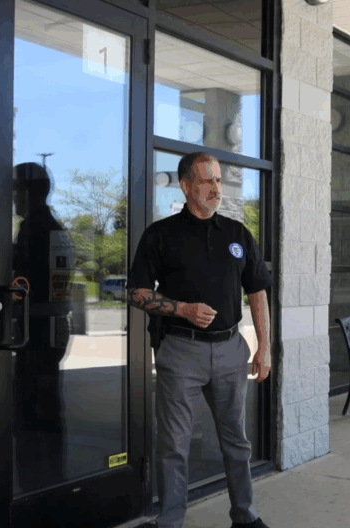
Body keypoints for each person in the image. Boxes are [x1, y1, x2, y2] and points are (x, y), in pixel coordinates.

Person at [127, 152, 273, 528]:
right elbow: (137, 293)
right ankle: (170, 521)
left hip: (230, 349)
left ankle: (245, 516)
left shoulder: (238, 235)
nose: (216, 189)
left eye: (219, 181)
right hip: (181, 350)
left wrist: (265, 346)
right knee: (174, 445)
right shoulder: (160, 235)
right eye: (207, 181)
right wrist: (182, 309)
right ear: (186, 186)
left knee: (237, 442)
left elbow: (257, 292)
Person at [11, 162, 74, 492]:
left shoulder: (33, 230)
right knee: (49, 407)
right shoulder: (55, 227)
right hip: (54, 329)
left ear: (24, 192)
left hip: (36, 333)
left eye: (13, 190)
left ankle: (34, 485)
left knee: (31, 409)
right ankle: (51, 480)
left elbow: (24, 284)